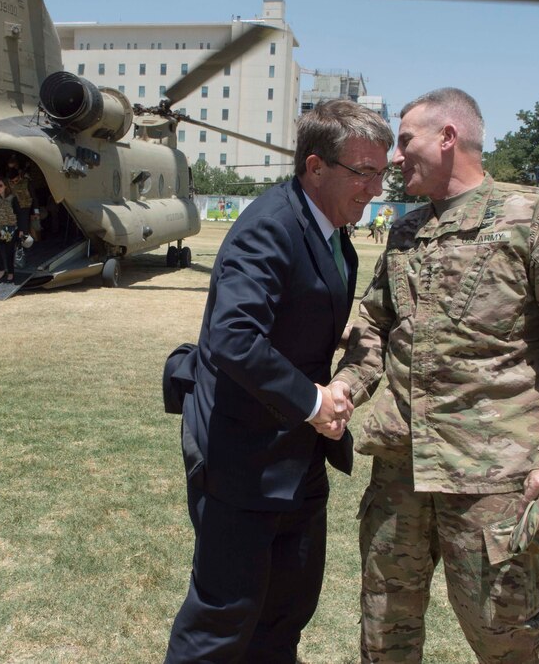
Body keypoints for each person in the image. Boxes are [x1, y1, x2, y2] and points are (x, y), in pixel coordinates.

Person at [329, 87, 539, 663]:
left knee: (507, 639)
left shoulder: (535, 217)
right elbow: (374, 324)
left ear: (448, 137)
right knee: (384, 631)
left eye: (405, 140)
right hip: (400, 472)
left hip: (493, 481)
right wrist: (346, 387)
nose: (394, 157)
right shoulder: (408, 231)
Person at [165, 99, 394, 663]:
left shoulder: (335, 236)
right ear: (315, 167)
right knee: (224, 617)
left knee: (286, 610)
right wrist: (312, 399)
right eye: (363, 172)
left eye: (382, 173)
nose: (375, 188)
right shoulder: (269, 226)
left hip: (295, 454)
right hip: (242, 454)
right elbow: (233, 337)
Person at [0, 177, 22, 284]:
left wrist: (21, 230)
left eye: (0, 185)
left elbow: (19, 214)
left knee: (9, 252)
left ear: (5, 186)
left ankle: (11, 273)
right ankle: (2, 270)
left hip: (9, 229)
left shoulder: (12, 198)